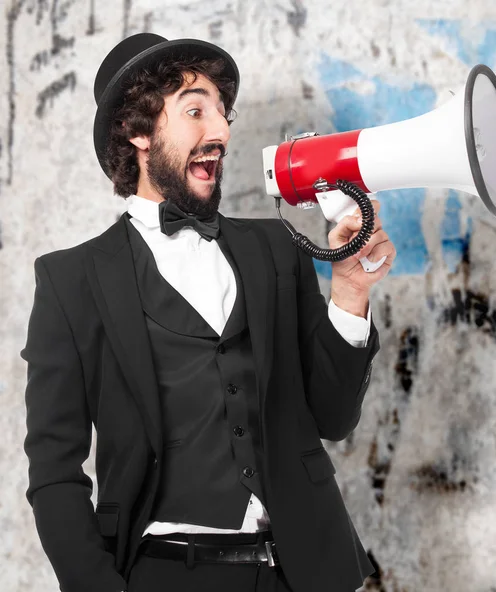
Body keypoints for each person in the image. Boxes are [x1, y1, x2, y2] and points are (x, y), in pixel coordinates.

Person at [21, 33, 396, 592]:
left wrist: (349, 292)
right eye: (195, 111)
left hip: (302, 572)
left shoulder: (276, 250)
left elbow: (334, 417)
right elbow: (54, 471)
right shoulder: (71, 281)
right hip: (165, 575)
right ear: (138, 131)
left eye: (222, 114)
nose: (220, 132)